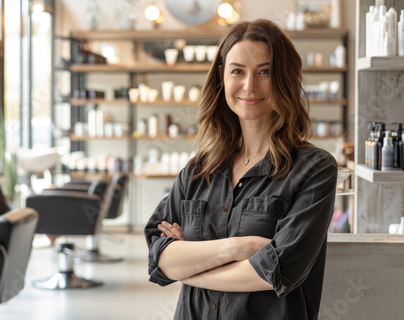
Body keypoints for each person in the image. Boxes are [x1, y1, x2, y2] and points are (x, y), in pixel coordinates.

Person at [144, 19, 338, 320]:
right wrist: (240, 247)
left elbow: (277, 271)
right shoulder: (198, 171)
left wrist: (190, 269)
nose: (249, 86)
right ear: (222, 78)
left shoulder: (314, 170)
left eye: (265, 71)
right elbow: (159, 256)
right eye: (238, 71)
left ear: (285, 79)